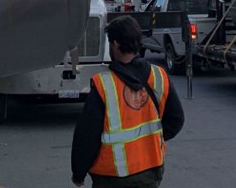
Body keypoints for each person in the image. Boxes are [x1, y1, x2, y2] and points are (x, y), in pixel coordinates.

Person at [71, 15, 184, 187]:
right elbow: (176, 120)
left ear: (115, 44)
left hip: (111, 176)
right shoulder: (159, 76)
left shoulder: (104, 85)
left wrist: (78, 174)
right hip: (150, 171)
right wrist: (150, 143)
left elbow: (87, 136)